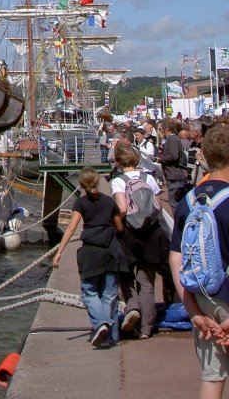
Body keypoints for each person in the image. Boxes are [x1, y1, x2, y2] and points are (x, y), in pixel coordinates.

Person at [169, 123, 229, 399]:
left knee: (212, 378)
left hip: (201, 299)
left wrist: (192, 310)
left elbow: (176, 259)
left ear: (203, 155)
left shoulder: (189, 201)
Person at [53, 166, 126, 348]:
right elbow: (119, 228)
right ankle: (111, 335)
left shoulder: (81, 203)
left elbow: (71, 228)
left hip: (91, 253)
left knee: (89, 293)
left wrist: (59, 251)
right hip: (110, 251)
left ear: (82, 185)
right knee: (110, 294)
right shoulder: (110, 202)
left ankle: (100, 324)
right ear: (98, 181)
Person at [110, 142, 168, 339]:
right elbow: (158, 206)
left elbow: (123, 208)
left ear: (118, 162)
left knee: (125, 275)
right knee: (147, 282)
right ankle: (145, 329)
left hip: (129, 234)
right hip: (151, 233)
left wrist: (114, 222)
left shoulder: (118, 181)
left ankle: (132, 307)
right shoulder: (149, 178)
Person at [160, 117, 189, 205]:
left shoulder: (172, 139)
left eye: (162, 128)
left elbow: (174, 156)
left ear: (167, 128)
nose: (161, 130)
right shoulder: (171, 139)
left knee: (174, 203)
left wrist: (161, 159)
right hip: (172, 175)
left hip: (175, 176)